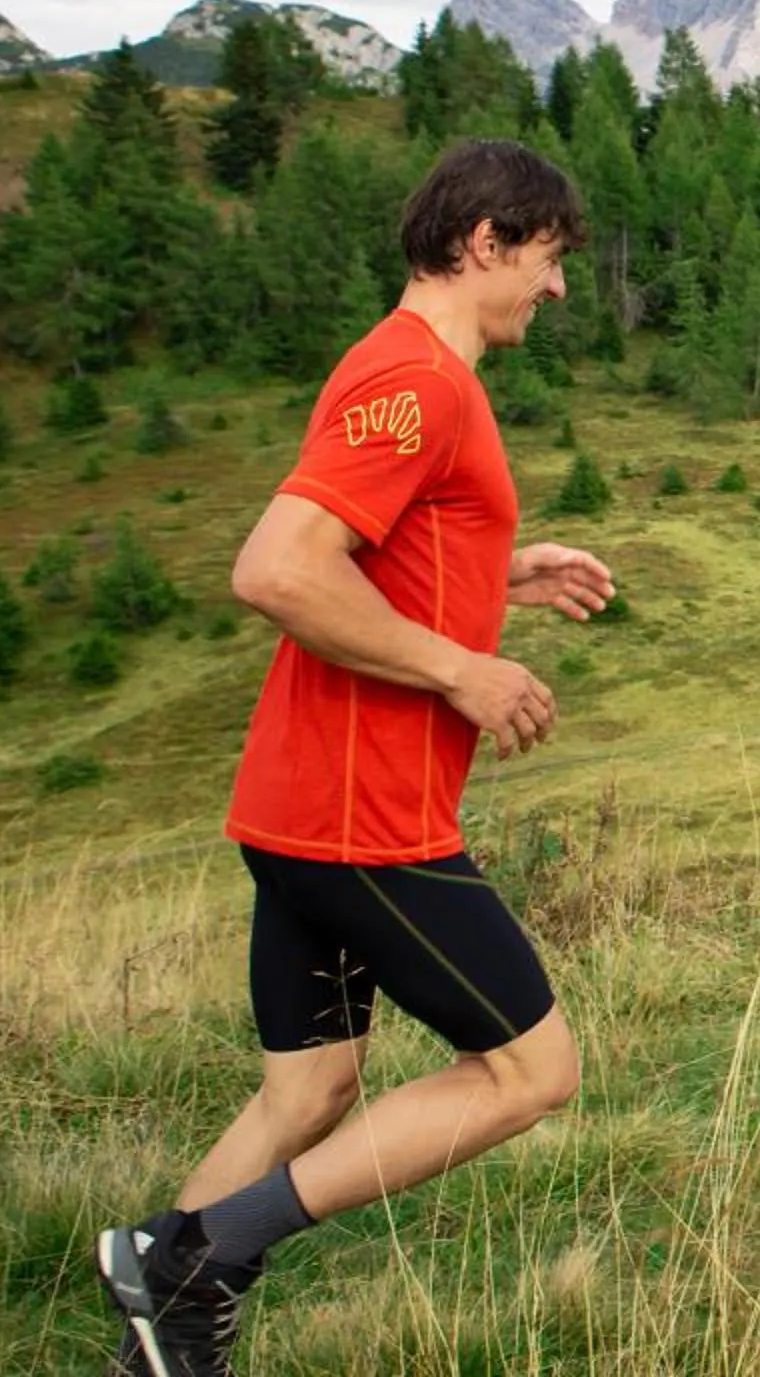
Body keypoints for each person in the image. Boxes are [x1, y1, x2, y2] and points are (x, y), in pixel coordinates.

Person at [95, 140, 616, 1377]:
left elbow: (379, 551)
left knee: (311, 1088)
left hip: (305, 802)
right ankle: (193, 1254)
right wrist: (460, 669)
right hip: (360, 814)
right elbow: (278, 566)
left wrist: (504, 570)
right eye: (547, 260)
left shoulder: (423, 376)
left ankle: (158, 1329)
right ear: (484, 239)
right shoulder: (417, 379)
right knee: (532, 1069)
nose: (556, 289)